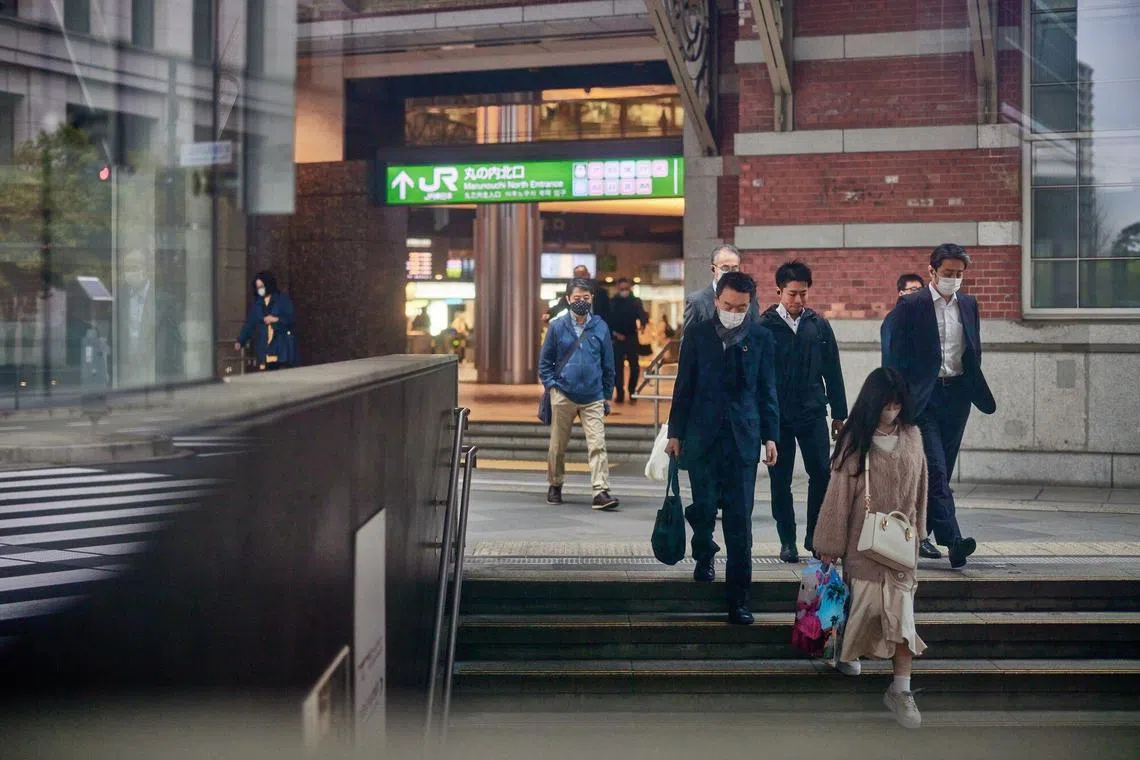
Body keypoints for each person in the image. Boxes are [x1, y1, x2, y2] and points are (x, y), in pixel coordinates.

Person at [813, 367, 928, 729]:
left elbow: (921, 488)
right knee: (860, 612)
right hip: (862, 548)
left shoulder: (912, 436)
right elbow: (837, 497)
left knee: (903, 620)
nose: (891, 412)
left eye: (897, 405)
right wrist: (829, 545)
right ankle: (845, 653)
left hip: (901, 549)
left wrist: (920, 533)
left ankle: (901, 690)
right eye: (886, 405)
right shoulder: (854, 440)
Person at [664, 272, 779, 625]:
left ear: (750, 305)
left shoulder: (760, 337)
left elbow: (766, 390)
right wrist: (675, 433)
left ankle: (738, 600)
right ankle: (704, 551)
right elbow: (684, 386)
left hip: (743, 441)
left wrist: (770, 435)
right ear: (716, 301)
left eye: (741, 307)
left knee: (740, 524)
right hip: (702, 438)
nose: (733, 312)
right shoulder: (698, 335)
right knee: (703, 507)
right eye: (728, 305)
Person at [884, 244, 996, 568]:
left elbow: (972, 349)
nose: (953, 279)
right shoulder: (910, 306)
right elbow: (896, 357)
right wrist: (896, 402)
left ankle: (920, 531)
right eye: (948, 273)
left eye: (959, 274)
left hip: (958, 396)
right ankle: (954, 540)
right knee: (935, 467)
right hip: (925, 397)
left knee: (942, 468)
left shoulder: (970, 304)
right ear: (932, 271)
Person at [759, 261, 848, 563]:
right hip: (778, 416)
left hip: (812, 412)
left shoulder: (818, 325)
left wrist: (839, 412)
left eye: (803, 294)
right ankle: (787, 540)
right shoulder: (764, 326)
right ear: (779, 291)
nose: (798, 301)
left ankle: (814, 535)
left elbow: (833, 371)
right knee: (780, 479)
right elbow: (758, 377)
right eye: (792, 294)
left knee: (821, 474)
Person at [539, 278, 620, 511]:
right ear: (567, 300)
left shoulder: (600, 326)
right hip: (563, 394)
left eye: (586, 298)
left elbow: (608, 364)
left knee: (598, 444)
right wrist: (552, 386)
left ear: (592, 299)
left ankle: (600, 490)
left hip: (593, 395)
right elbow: (545, 363)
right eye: (577, 298)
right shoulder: (557, 327)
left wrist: (606, 394)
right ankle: (555, 484)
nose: (581, 302)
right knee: (557, 445)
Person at [682, 244, 759, 336]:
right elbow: (687, 342)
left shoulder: (749, 298)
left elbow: (757, 334)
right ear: (713, 269)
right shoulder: (696, 301)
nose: (730, 273)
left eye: (734, 268)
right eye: (725, 268)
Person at [235, 271, 297, 371]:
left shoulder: (282, 300)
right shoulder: (257, 304)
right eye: (258, 287)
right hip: (264, 346)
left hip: (280, 346)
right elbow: (250, 324)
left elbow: (291, 319)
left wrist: (276, 319)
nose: (260, 290)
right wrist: (241, 340)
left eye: (262, 286)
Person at [608, 277, 649, 404]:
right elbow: (607, 320)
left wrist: (642, 324)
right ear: (617, 288)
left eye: (626, 288)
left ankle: (632, 391)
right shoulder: (613, 302)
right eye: (622, 289)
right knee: (617, 368)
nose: (624, 291)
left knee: (635, 367)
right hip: (616, 338)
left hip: (631, 337)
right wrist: (614, 334)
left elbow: (641, 314)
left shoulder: (635, 301)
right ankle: (619, 392)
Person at [879, 274, 925, 368]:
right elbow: (889, 352)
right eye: (913, 290)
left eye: (921, 290)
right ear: (901, 293)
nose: (918, 293)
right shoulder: (894, 318)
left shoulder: (923, 315)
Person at [546, 265, 611, 327]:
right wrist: (549, 314)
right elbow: (560, 305)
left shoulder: (600, 292)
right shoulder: (571, 292)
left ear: (588, 275)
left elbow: (608, 312)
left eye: (582, 275)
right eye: (577, 276)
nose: (580, 278)